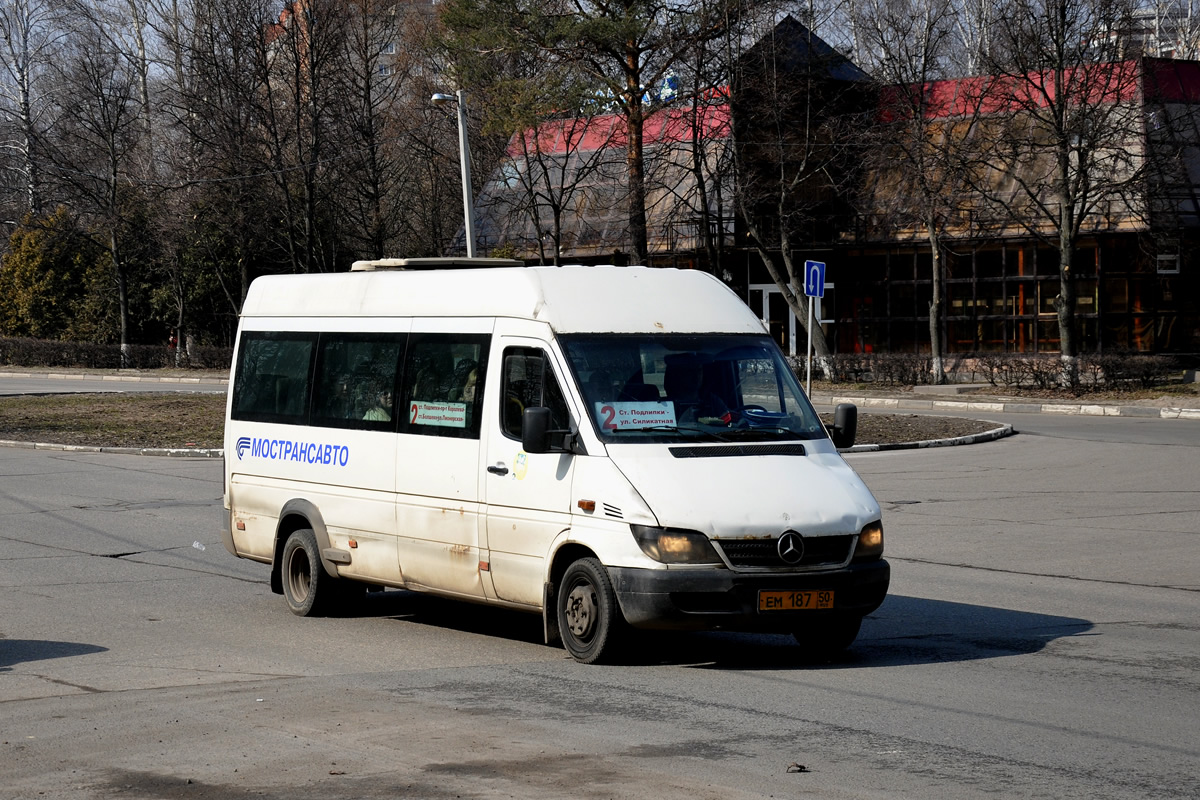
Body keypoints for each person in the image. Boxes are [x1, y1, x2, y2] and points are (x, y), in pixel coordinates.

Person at [663, 355, 729, 424]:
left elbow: (729, 421)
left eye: (699, 370)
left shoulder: (712, 402)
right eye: (690, 371)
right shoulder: (665, 406)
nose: (696, 375)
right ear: (677, 375)